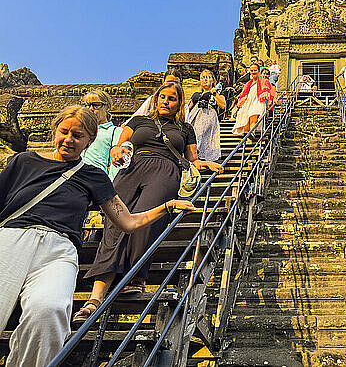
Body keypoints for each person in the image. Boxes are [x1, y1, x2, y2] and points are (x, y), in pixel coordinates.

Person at [0, 105, 197, 366]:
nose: (69, 139)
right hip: (13, 238)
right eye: (64, 132)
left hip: (59, 249)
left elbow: (126, 220)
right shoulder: (24, 161)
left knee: (50, 312)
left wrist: (167, 206)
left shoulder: (94, 176)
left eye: (78, 135)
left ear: (89, 141)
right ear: (54, 130)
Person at [76, 83, 223, 322]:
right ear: (156, 100)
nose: (166, 101)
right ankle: (97, 294)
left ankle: (136, 277)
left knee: (146, 218)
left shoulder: (185, 129)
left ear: (179, 103)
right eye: (162, 97)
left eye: (172, 98)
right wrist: (116, 151)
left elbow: (192, 160)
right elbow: (120, 144)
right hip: (132, 168)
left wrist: (207, 165)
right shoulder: (138, 122)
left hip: (165, 170)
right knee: (114, 223)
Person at [81, 89, 122, 180]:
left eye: (96, 105)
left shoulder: (115, 131)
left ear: (108, 107)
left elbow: (115, 165)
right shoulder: (80, 130)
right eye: (88, 105)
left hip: (96, 181)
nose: (90, 109)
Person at [124, 68, 189, 125]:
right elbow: (136, 117)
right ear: (163, 82)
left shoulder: (184, 107)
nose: (172, 85)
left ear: (180, 84)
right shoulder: (152, 101)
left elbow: (186, 126)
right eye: (169, 82)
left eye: (175, 83)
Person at [188, 69, 226, 162]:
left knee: (204, 137)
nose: (205, 80)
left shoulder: (218, 93)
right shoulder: (196, 95)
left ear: (213, 80)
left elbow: (223, 105)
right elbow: (187, 108)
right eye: (202, 78)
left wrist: (214, 93)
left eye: (208, 77)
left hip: (209, 116)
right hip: (195, 117)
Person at [232, 64, 275, 138]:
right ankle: (248, 136)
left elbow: (267, 89)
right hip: (249, 101)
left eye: (255, 70)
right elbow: (244, 93)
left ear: (258, 71)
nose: (253, 72)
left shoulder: (264, 81)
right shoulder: (248, 83)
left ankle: (251, 132)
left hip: (259, 100)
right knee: (246, 119)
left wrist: (267, 95)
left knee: (254, 115)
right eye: (251, 70)